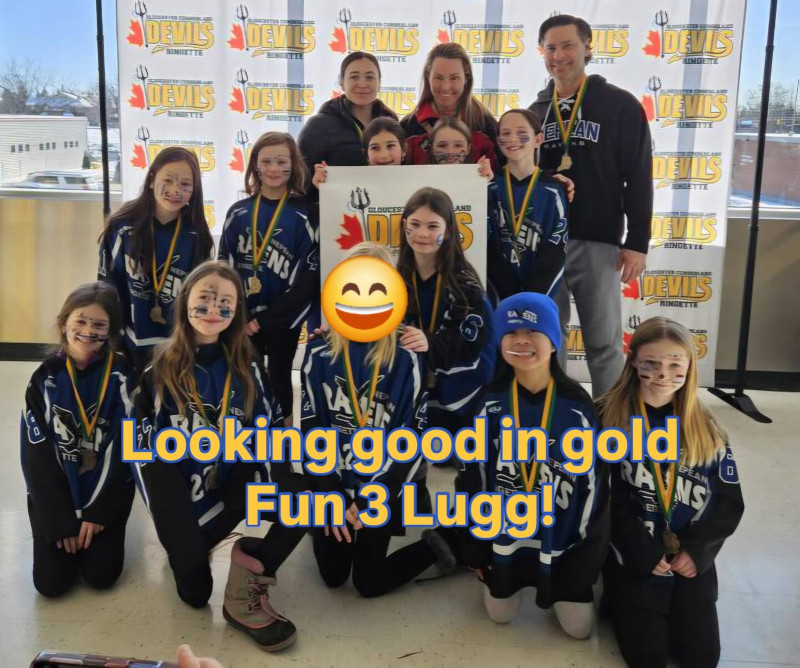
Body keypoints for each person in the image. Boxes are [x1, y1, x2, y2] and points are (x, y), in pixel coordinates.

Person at [132, 261, 303, 651]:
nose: (215, 308)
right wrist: (178, 532)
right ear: (185, 303)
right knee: (195, 594)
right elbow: (144, 460)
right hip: (183, 505)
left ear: (237, 310)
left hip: (229, 492)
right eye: (205, 298)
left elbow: (273, 438)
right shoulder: (158, 372)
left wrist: (278, 489)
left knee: (308, 503)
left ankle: (246, 584)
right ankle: (188, 551)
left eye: (226, 301)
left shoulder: (248, 368)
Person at [300, 242, 456, 597]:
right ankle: (321, 518)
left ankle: (447, 543)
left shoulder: (406, 356)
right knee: (333, 575)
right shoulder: (318, 352)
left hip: (382, 484)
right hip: (335, 479)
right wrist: (332, 494)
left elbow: (411, 440)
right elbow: (311, 433)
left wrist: (375, 496)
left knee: (368, 583)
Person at [598, 317, 744, 667]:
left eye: (675, 364)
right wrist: (642, 552)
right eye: (652, 363)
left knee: (702, 658)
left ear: (690, 366)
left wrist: (696, 550)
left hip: (689, 555)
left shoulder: (707, 428)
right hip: (634, 554)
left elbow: (728, 502)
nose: (664, 374)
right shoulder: (605, 419)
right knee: (647, 658)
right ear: (633, 361)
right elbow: (599, 499)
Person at [461, 292, 608, 639]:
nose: (521, 340)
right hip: (506, 535)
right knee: (500, 617)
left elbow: (595, 491)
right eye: (511, 332)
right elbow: (472, 477)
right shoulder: (490, 402)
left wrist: (585, 557)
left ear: (554, 342)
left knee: (579, 630)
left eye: (533, 331)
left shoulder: (577, 406)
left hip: (561, 537)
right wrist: (477, 548)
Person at [528, 14, 652, 397]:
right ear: (541, 52)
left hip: (598, 240)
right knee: (550, 340)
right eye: (551, 48)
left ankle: (610, 424)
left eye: (567, 45)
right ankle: (557, 416)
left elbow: (639, 174)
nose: (558, 56)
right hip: (546, 243)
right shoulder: (536, 111)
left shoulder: (619, 105)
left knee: (603, 343)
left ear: (587, 47)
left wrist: (638, 242)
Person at [20, 282, 135, 598]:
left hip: (103, 492)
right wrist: (59, 521)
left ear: (110, 332)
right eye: (81, 321)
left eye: (99, 325)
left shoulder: (123, 376)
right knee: (51, 585)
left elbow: (127, 450)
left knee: (101, 576)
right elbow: (36, 455)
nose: (88, 331)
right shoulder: (45, 378)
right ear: (64, 323)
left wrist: (99, 512)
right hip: (58, 493)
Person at [218, 132, 318, 424]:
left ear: (294, 165)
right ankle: (245, 439)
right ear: (255, 165)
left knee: (279, 379)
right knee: (242, 379)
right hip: (241, 319)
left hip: (282, 321)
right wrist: (240, 316)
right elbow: (224, 270)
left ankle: (282, 441)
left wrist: (267, 319)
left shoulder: (305, 215)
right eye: (266, 161)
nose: (274, 168)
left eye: (282, 161)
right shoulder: (238, 213)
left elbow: (306, 281)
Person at [98, 147, 214, 376]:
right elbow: (107, 286)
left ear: (194, 190)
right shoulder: (122, 229)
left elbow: (202, 295)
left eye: (185, 184)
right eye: (168, 180)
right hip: (130, 344)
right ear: (151, 180)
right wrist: (113, 339)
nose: (175, 190)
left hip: (177, 346)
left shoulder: (197, 236)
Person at [396, 187, 493, 439]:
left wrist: (429, 343)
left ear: (448, 230)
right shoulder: (396, 278)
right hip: (416, 389)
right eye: (415, 224)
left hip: (461, 396)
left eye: (432, 226)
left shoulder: (465, 285)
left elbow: (469, 344)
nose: (422, 234)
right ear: (404, 225)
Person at [488, 108, 568, 301]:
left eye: (522, 133)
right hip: (498, 295)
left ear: (538, 139)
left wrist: (534, 298)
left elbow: (555, 250)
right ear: (498, 140)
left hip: (539, 296)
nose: (513, 139)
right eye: (506, 133)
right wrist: (506, 294)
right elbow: (487, 245)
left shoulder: (553, 190)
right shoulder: (489, 186)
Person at [299, 51, 397, 176]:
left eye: (370, 77)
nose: (362, 84)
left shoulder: (391, 123)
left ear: (379, 84)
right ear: (342, 83)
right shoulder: (318, 126)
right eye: (354, 77)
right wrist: (315, 179)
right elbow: (301, 176)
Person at [402, 43, 499, 168]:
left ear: (466, 78)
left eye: (454, 78)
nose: (445, 87)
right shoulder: (408, 126)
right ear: (428, 77)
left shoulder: (485, 124)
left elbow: (503, 173)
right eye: (438, 78)